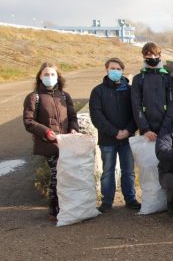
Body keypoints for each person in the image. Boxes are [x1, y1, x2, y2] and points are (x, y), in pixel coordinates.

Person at [23, 62, 79, 221]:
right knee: (56, 176)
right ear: (40, 76)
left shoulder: (64, 95)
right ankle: (54, 210)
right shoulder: (34, 97)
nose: (49, 77)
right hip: (49, 144)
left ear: (58, 76)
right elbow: (28, 121)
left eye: (52, 74)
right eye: (46, 74)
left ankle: (68, 207)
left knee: (67, 175)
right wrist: (46, 132)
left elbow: (72, 117)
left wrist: (74, 128)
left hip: (67, 143)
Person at [89, 58, 141, 213]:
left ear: (123, 70)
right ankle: (107, 200)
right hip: (107, 139)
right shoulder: (98, 91)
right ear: (106, 69)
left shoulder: (131, 90)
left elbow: (137, 113)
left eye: (118, 69)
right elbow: (97, 116)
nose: (115, 71)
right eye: (113, 68)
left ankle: (130, 199)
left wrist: (128, 130)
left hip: (127, 138)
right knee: (108, 171)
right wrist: (114, 132)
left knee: (128, 171)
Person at [131, 42, 173, 141]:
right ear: (144, 56)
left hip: (166, 128)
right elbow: (136, 105)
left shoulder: (167, 77)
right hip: (146, 131)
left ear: (160, 56)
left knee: (166, 155)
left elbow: (172, 103)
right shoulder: (138, 79)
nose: (153, 57)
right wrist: (145, 129)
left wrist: (165, 127)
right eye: (149, 54)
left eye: (155, 54)